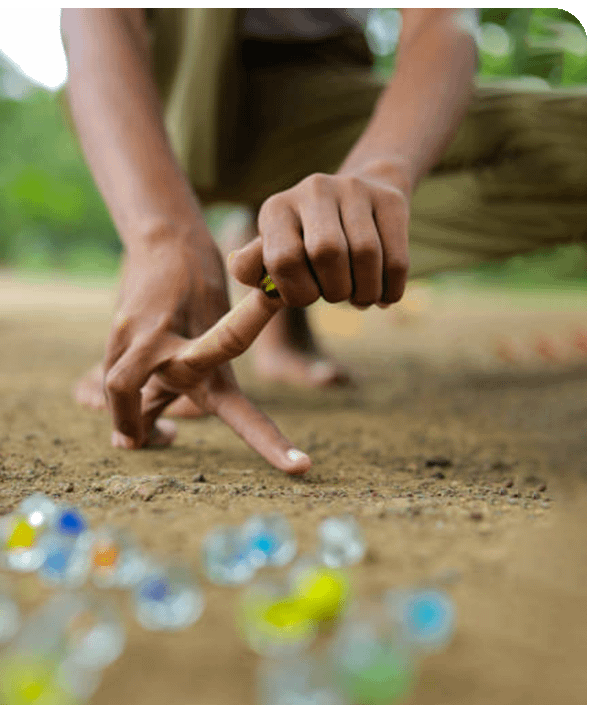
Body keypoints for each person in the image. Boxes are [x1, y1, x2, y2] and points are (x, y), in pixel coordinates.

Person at [59, 8, 586, 475]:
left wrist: (379, 176)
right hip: (153, 84)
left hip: (321, 90)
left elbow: (441, 19)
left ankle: (275, 257)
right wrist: (161, 233)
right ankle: (166, 261)